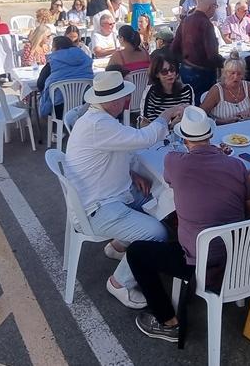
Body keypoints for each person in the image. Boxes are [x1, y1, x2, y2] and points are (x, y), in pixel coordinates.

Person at [125, 106, 250, 342]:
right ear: (210, 135)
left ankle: (167, 321)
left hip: (198, 260)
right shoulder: (236, 166)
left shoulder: (175, 162)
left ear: (185, 138)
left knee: (136, 252)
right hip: (239, 253)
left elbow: (169, 180)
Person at [65, 71, 185, 308]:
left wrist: (132, 172)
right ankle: (119, 282)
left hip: (105, 195)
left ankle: (119, 246)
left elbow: (114, 150)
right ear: (111, 102)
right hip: (97, 209)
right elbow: (143, 138)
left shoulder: (97, 119)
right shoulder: (99, 125)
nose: (126, 101)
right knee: (158, 233)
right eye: (122, 97)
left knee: (159, 196)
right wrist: (166, 115)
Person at [172, 0, 222, 95]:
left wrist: (185, 60)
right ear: (210, 7)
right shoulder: (206, 24)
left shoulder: (185, 20)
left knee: (189, 103)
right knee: (202, 106)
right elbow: (212, 55)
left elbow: (174, 48)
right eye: (215, 6)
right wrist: (226, 63)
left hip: (186, 70)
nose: (215, 9)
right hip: (202, 74)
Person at [200, 57, 250, 124]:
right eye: (232, 73)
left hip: (245, 128)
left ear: (243, 75)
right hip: (221, 130)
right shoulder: (216, 90)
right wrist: (224, 121)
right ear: (224, 73)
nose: (235, 77)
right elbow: (200, 115)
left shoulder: (248, 86)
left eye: (239, 73)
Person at [140, 52, 194, 124]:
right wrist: (170, 125)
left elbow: (190, 117)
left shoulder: (186, 90)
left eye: (172, 69)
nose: (170, 74)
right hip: (158, 133)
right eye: (164, 72)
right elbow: (148, 124)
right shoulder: (151, 93)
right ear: (157, 74)